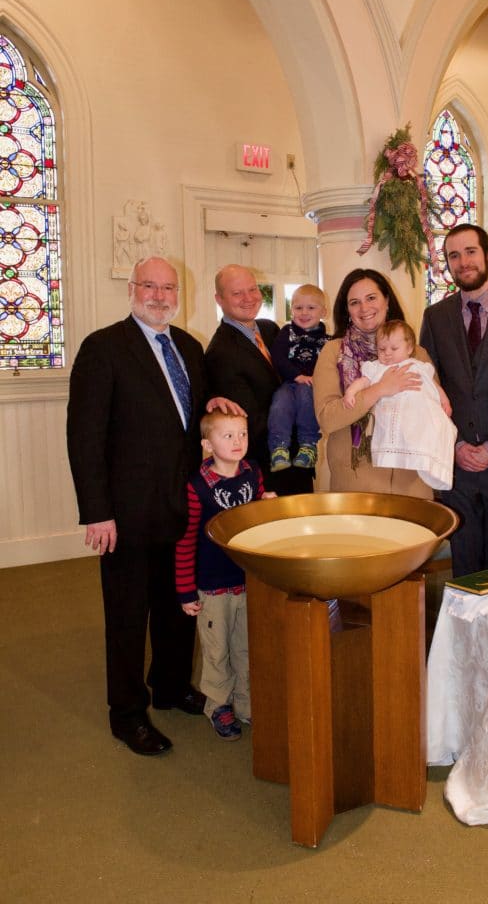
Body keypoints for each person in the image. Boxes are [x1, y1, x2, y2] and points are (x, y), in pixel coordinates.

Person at [67, 256, 243, 757]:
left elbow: (193, 420)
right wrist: (96, 511)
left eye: (168, 288)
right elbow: (84, 437)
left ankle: (169, 687)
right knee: (127, 616)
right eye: (150, 286)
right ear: (132, 289)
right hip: (124, 514)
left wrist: (215, 408)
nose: (160, 296)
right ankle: (126, 713)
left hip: (181, 506)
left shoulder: (188, 346)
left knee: (178, 606)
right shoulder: (103, 349)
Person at [420, 223, 488, 576]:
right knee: (464, 564)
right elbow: (427, 387)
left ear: (487, 254)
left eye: (470, 252)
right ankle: (465, 632)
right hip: (458, 463)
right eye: (453, 255)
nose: (463, 261)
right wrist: (456, 444)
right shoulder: (435, 317)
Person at [175, 411, 276, 740]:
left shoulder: (253, 473)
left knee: (246, 646)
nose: (238, 442)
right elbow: (187, 539)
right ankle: (218, 704)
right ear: (207, 444)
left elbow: (259, 522)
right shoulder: (197, 487)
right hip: (212, 586)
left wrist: (266, 505)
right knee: (217, 651)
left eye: (242, 434)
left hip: (247, 580)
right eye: (227, 436)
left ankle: (246, 703)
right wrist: (186, 591)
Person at [313, 268, 432, 497]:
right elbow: (327, 418)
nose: (364, 308)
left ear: (386, 301)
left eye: (371, 298)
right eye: (354, 302)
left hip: (411, 480)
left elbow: (434, 409)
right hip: (356, 483)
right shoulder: (333, 351)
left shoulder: (416, 353)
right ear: (347, 310)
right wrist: (379, 390)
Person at [205, 264, 312, 494]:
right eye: (237, 293)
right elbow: (251, 423)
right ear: (219, 299)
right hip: (268, 470)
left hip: (299, 460)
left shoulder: (270, 329)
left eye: (252, 289)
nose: (248, 298)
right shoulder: (220, 353)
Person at [343, 319, 457, 490]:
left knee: (440, 428)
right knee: (398, 433)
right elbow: (363, 381)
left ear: (410, 348)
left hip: (419, 411)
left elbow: (433, 385)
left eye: (394, 349)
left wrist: (445, 400)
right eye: (382, 349)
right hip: (393, 413)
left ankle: (430, 461)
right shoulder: (376, 367)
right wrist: (350, 392)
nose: (387, 353)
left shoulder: (418, 365)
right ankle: (411, 456)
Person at [267, 283, 329, 472]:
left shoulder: (328, 341)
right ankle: (278, 448)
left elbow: (330, 367)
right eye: (298, 307)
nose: (304, 313)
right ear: (291, 309)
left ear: (323, 311)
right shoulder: (287, 332)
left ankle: (308, 446)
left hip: (312, 387)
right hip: (289, 382)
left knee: (305, 398)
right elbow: (277, 357)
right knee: (279, 404)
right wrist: (297, 375)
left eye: (311, 308)